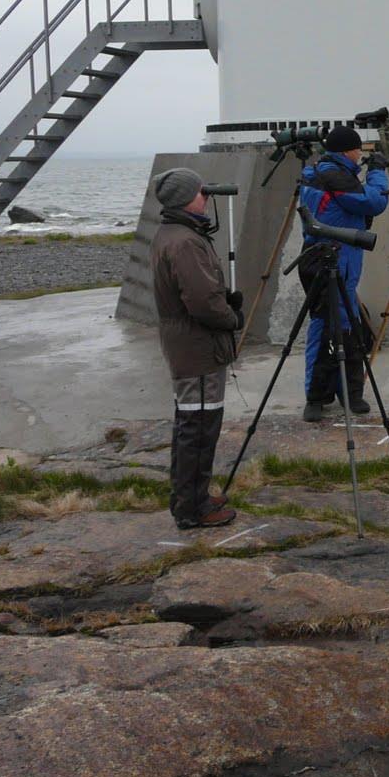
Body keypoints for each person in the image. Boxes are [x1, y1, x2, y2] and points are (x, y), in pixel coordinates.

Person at [150, 167, 242, 530]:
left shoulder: (172, 233)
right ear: (188, 197)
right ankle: (193, 508)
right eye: (201, 191)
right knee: (199, 428)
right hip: (198, 347)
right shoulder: (185, 241)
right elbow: (203, 302)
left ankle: (191, 497)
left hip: (188, 345)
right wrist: (231, 317)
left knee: (191, 425)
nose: (206, 195)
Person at [299, 125, 389, 421]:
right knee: (330, 327)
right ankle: (323, 396)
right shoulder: (336, 177)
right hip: (333, 259)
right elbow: (374, 202)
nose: (360, 155)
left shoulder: (318, 172)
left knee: (342, 326)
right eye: (358, 150)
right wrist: (377, 171)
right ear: (347, 151)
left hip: (327, 257)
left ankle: (341, 394)